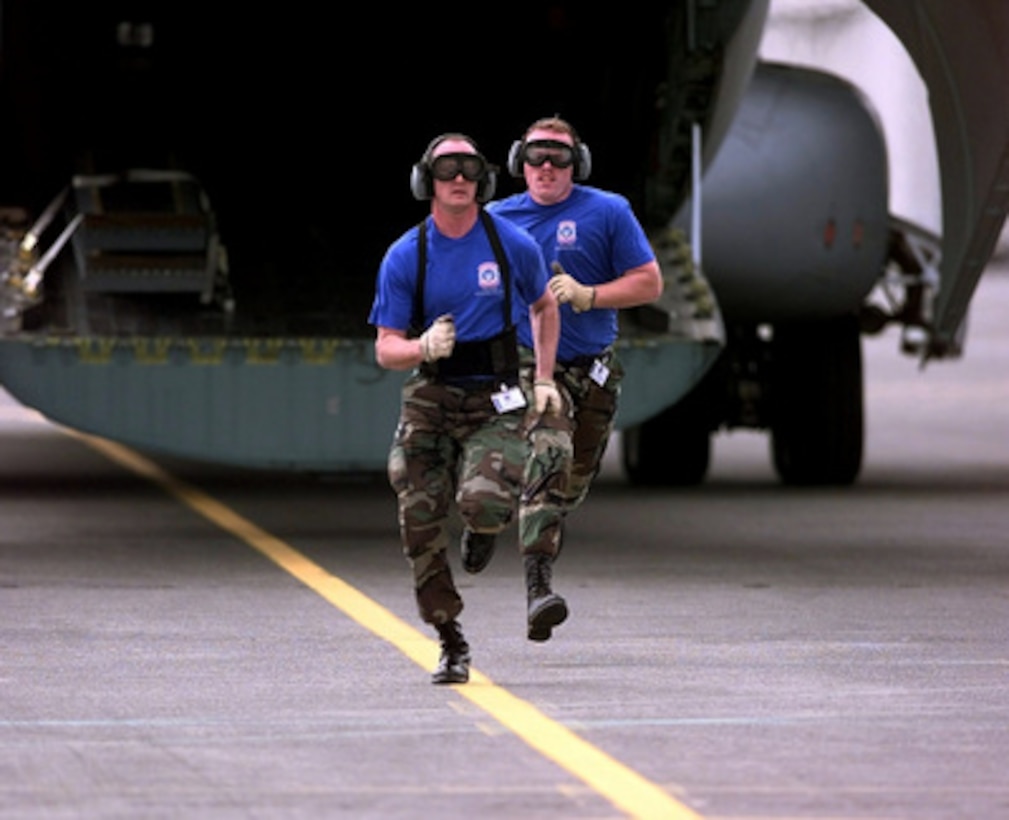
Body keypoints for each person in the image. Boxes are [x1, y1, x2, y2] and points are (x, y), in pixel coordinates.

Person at [369, 133, 562, 685]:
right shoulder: (408, 254)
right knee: (416, 509)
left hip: (495, 393)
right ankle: (450, 639)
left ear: (484, 179)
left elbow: (544, 305)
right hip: (432, 389)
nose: (459, 178)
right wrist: (421, 347)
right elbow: (386, 346)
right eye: (447, 168)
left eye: (470, 168)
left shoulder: (511, 245)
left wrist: (544, 377)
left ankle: (483, 526)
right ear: (425, 179)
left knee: (482, 502)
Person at [486, 116, 664, 641]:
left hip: (594, 369)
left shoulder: (608, 211)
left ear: (576, 164)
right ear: (520, 161)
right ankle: (538, 587)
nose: (546, 166)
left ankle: (502, 511)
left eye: (558, 157)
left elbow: (648, 282)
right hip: (530, 362)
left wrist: (590, 295)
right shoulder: (496, 219)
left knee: (571, 481)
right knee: (551, 451)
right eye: (536, 155)